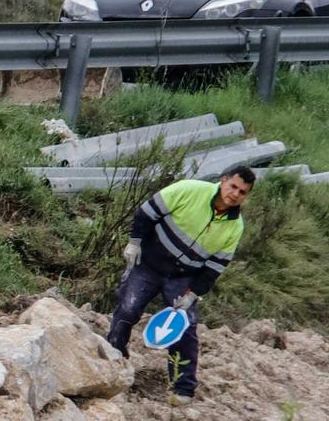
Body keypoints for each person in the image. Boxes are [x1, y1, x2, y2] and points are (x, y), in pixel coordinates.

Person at [106, 164, 255, 400]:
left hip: (183, 276)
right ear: (223, 180)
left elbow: (216, 266)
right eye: (233, 186)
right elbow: (147, 211)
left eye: (242, 192)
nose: (235, 194)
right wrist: (134, 242)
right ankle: (113, 361)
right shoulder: (190, 190)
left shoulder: (234, 227)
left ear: (246, 196)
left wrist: (193, 294)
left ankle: (182, 387)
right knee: (128, 308)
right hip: (150, 263)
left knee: (185, 327)